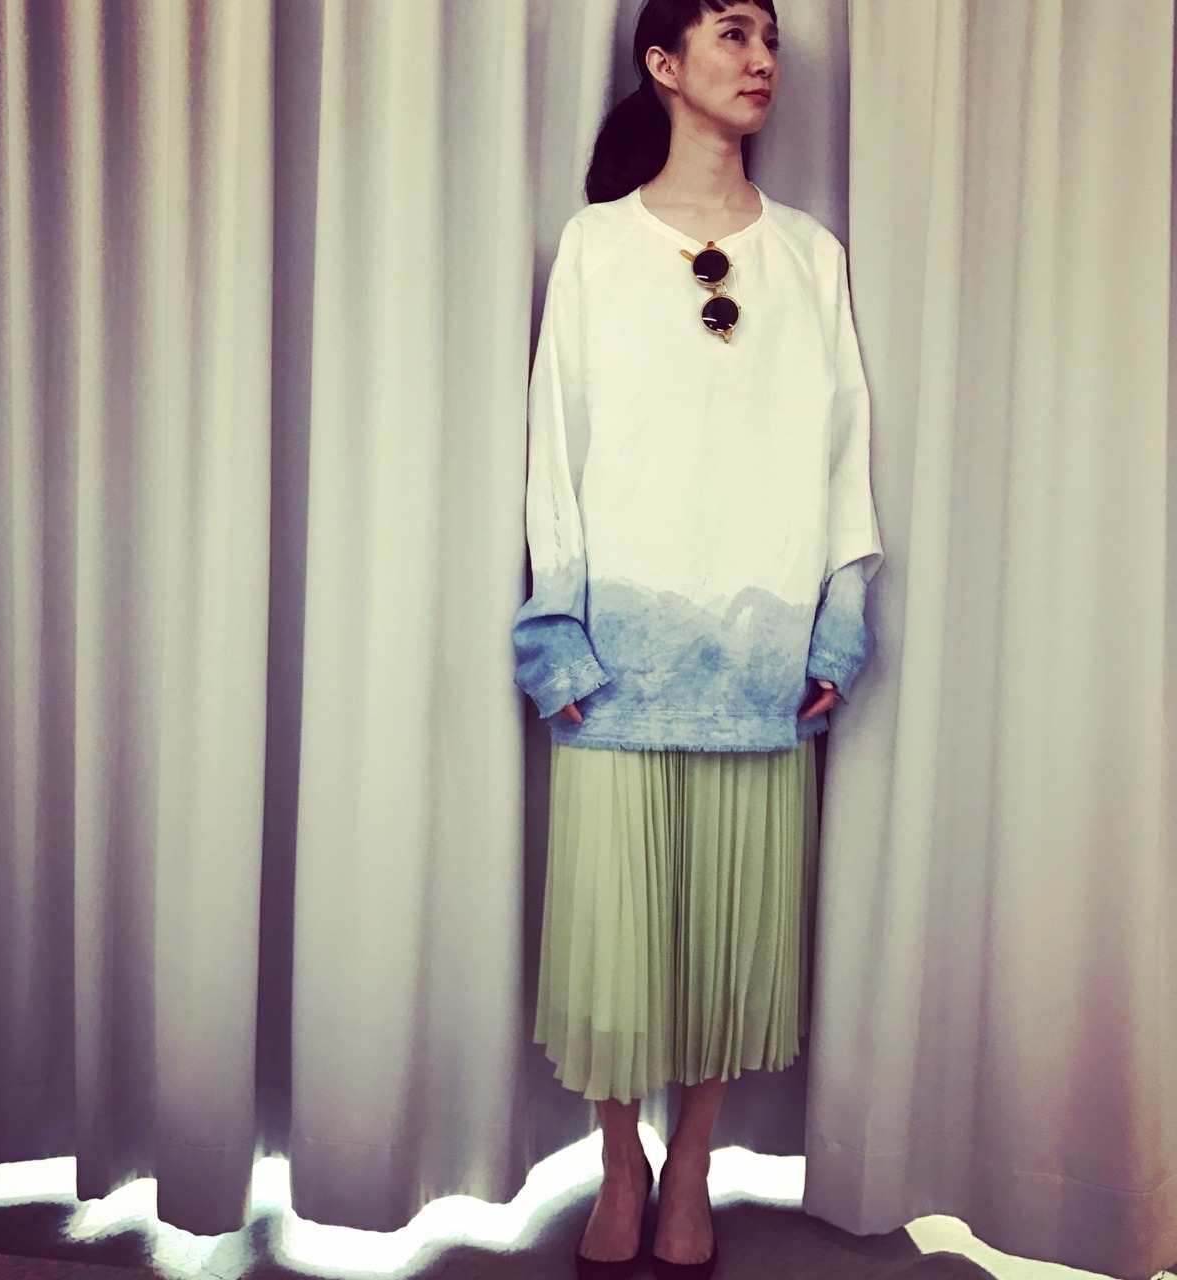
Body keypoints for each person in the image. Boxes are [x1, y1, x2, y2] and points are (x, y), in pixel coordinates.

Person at [512, 1, 882, 1276]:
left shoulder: (809, 255)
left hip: (760, 645)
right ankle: (619, 1158)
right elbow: (552, 444)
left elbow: (843, 444)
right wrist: (555, 628)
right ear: (662, 64)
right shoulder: (595, 244)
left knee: (732, 931)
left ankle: (693, 1166)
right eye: (731, 32)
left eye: (768, 35)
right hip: (619, 648)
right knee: (617, 932)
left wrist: (837, 619)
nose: (761, 57)